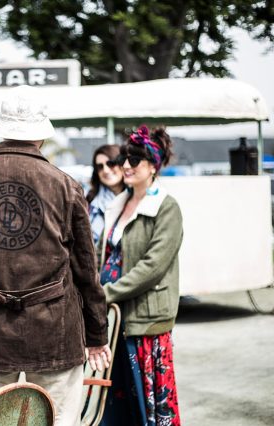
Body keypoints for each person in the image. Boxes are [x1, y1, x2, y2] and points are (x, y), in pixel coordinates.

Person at [0, 85, 111, 425]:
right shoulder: (65, 185)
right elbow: (87, 270)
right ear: (41, 134)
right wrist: (97, 334)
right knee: (58, 421)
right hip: (55, 332)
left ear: (3, 131)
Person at [99, 125, 183, 426]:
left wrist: (105, 293)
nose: (125, 166)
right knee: (118, 405)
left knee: (149, 407)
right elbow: (108, 256)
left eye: (134, 160)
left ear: (153, 165)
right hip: (116, 318)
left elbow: (153, 266)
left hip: (146, 321)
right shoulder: (117, 205)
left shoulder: (166, 207)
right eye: (125, 159)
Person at [86, 145, 125, 248]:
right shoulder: (89, 201)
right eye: (100, 166)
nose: (106, 170)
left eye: (111, 163)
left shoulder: (136, 198)